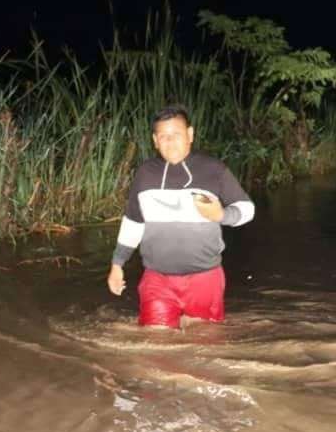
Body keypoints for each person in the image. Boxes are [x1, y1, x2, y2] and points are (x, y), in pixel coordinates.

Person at [106, 105, 255, 328]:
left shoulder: (213, 170)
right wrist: (117, 264)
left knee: (202, 343)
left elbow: (247, 209)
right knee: (155, 344)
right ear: (155, 140)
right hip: (157, 278)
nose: (170, 141)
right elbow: (133, 221)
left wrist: (222, 214)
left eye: (176, 134)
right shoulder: (145, 174)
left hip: (205, 277)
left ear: (190, 135)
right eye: (163, 136)